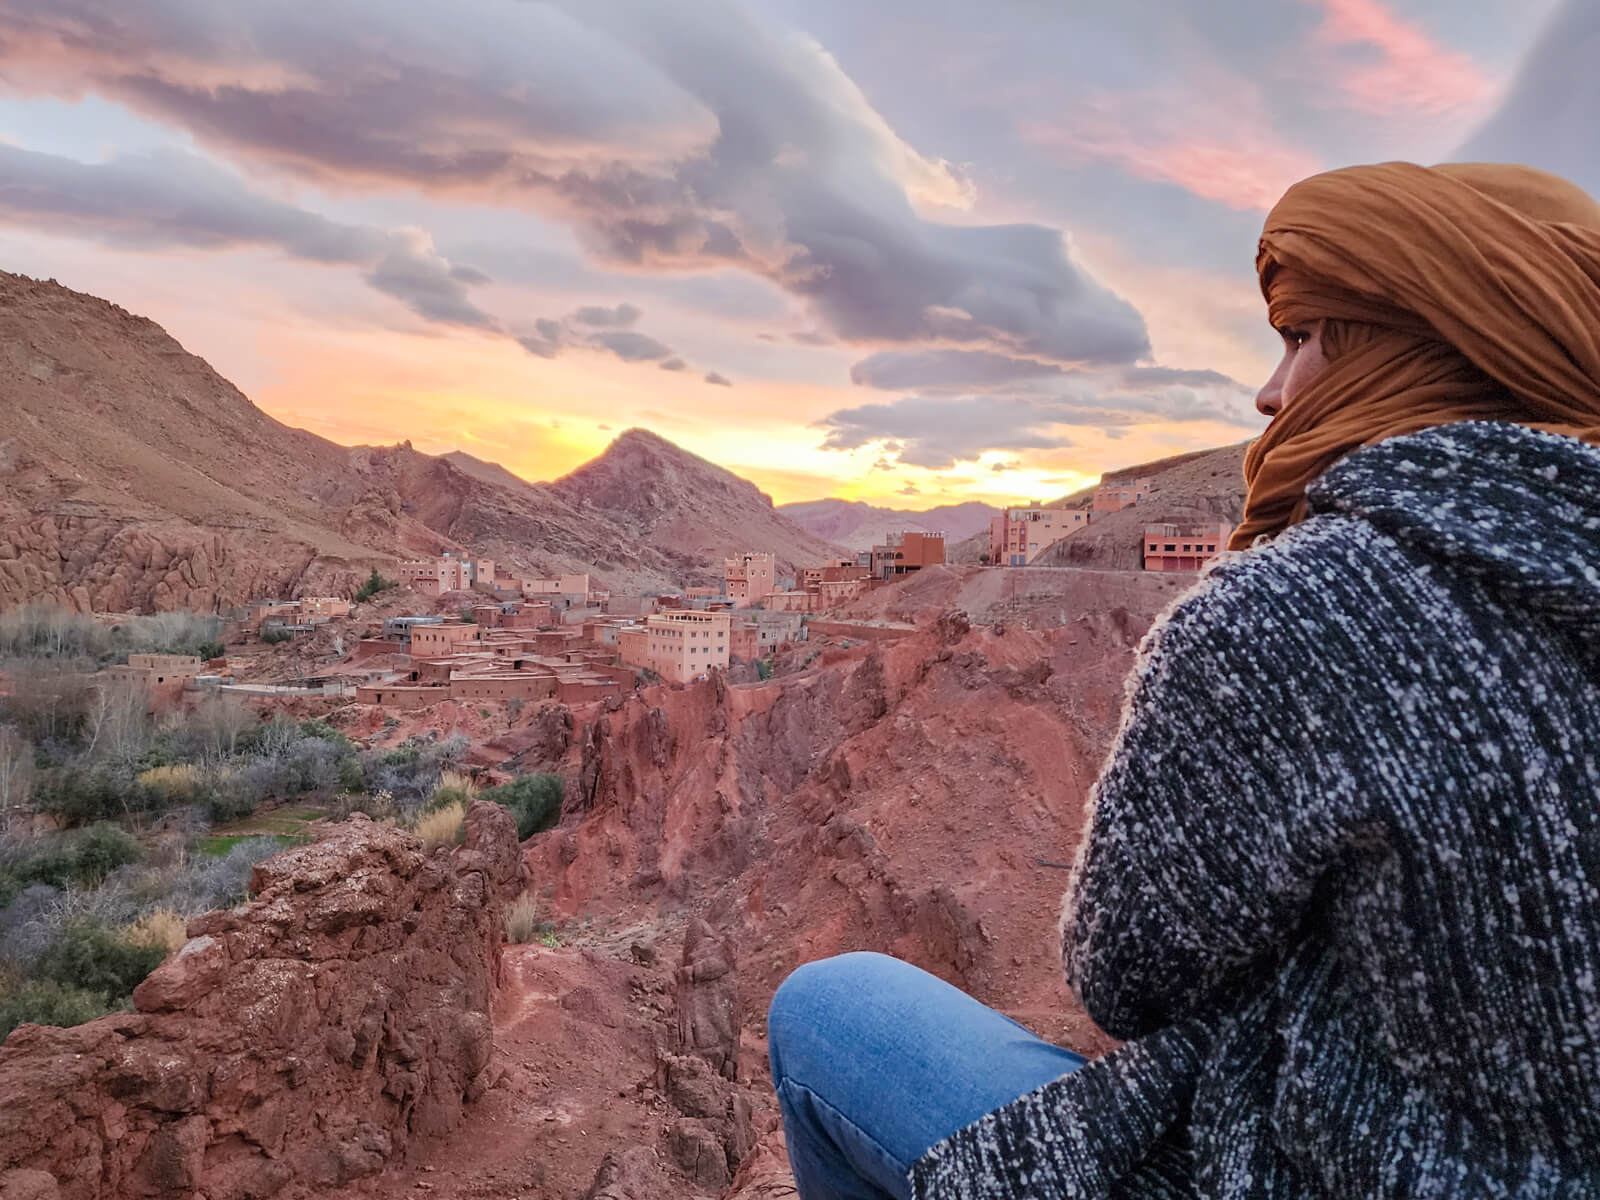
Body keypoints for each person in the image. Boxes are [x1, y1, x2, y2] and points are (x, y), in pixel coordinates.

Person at [767, 161, 1600, 1199]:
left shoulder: (1300, 609)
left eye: (1300, 340)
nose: (1268, 391)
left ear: (1416, 351)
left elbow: (1127, 977)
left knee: (831, 1010)